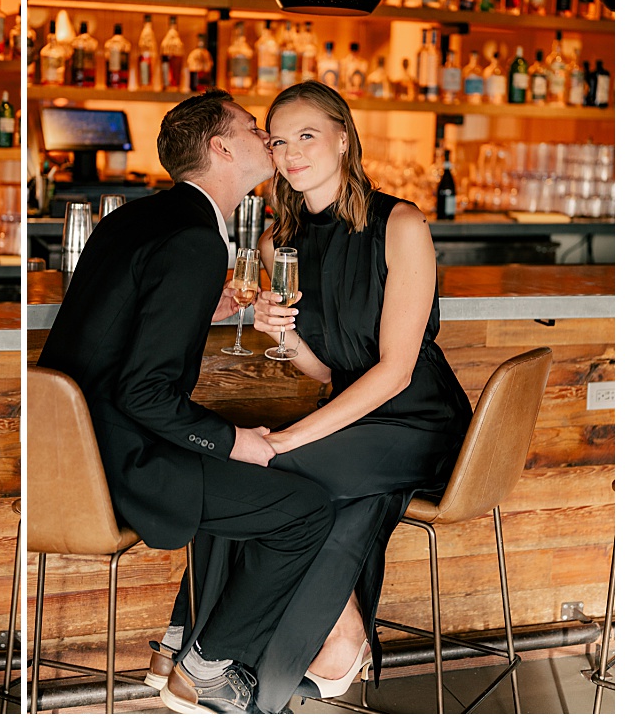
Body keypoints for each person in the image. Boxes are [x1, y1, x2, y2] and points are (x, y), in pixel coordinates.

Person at [37, 90, 335, 714]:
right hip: (122, 464)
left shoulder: (136, 219)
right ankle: (208, 667)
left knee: (242, 482)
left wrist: (204, 309)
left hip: (72, 455)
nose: (269, 140)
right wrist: (231, 440)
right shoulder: (197, 240)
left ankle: (174, 647)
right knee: (304, 509)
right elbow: (143, 391)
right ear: (222, 148)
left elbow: (113, 337)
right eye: (256, 130)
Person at [203, 80, 473, 713]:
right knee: (319, 498)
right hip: (351, 418)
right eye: (278, 140)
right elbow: (326, 372)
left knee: (263, 471)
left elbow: (397, 370)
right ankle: (335, 643)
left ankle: (207, 657)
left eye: (307, 135)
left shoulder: (400, 222)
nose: (291, 152)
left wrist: (291, 438)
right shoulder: (278, 245)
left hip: (414, 418)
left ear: (343, 139)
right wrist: (285, 337)